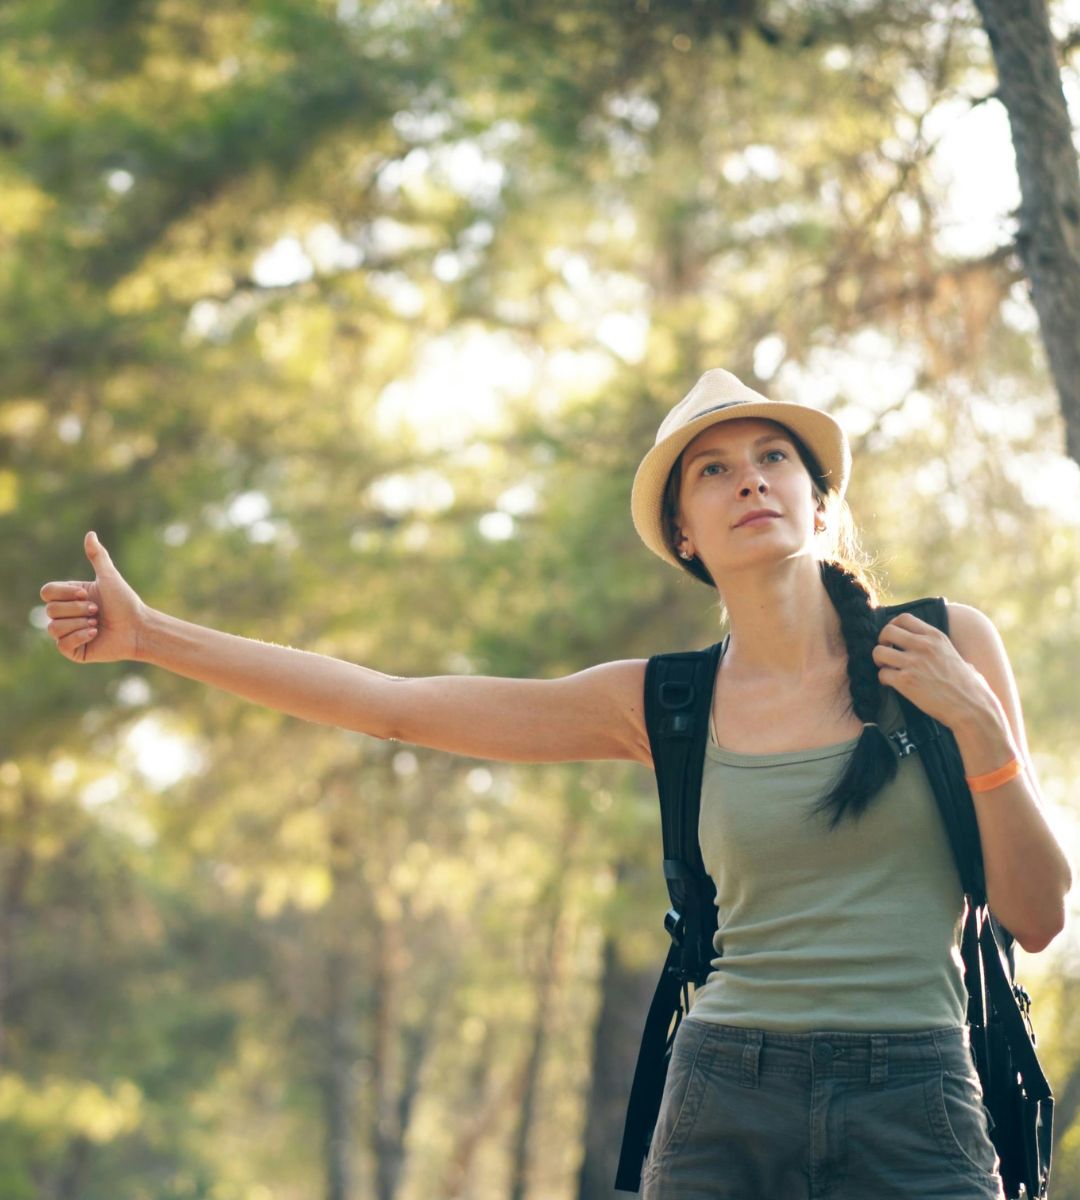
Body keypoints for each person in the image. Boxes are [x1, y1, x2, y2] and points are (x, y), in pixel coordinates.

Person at [40, 368, 1071, 1199]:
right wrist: (151, 637)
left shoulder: (944, 645)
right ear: (684, 534)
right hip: (724, 1098)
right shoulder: (664, 704)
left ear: (817, 499)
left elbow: (1035, 912)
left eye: (772, 459)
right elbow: (397, 703)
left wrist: (976, 719)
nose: (750, 480)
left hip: (919, 1097)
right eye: (711, 472)